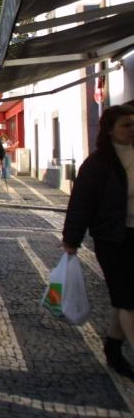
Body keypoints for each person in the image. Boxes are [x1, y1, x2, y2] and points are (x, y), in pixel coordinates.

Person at [62, 104, 134, 379]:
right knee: (126, 298)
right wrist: (71, 239)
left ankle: (114, 348)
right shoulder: (98, 163)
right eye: (125, 125)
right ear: (109, 130)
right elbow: (81, 203)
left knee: (124, 298)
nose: (131, 130)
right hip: (112, 238)